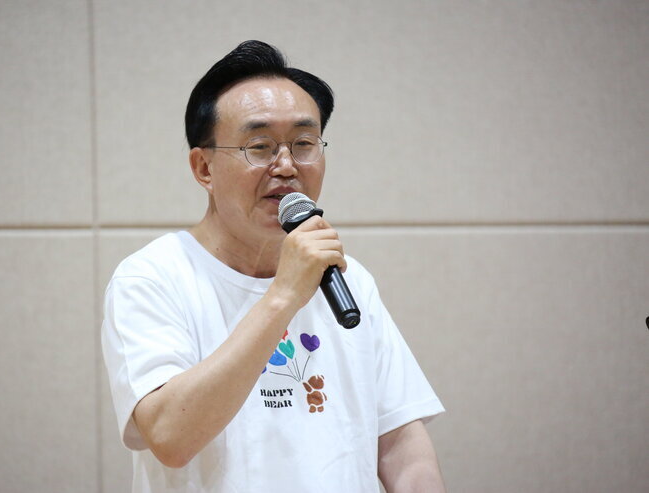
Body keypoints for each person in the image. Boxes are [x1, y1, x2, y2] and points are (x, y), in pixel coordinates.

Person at [101, 40, 446, 493]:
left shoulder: (348, 279)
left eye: (304, 144)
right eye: (259, 146)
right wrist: (283, 295)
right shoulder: (153, 278)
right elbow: (170, 437)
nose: (286, 166)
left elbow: (402, 448)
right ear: (203, 168)